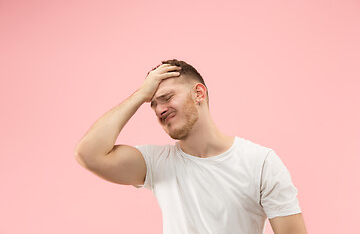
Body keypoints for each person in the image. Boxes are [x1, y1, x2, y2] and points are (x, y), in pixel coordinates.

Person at [74, 59, 308, 234]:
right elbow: (88, 154)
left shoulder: (261, 162)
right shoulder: (157, 163)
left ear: (199, 93)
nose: (159, 109)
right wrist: (140, 95)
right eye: (152, 104)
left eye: (166, 98)